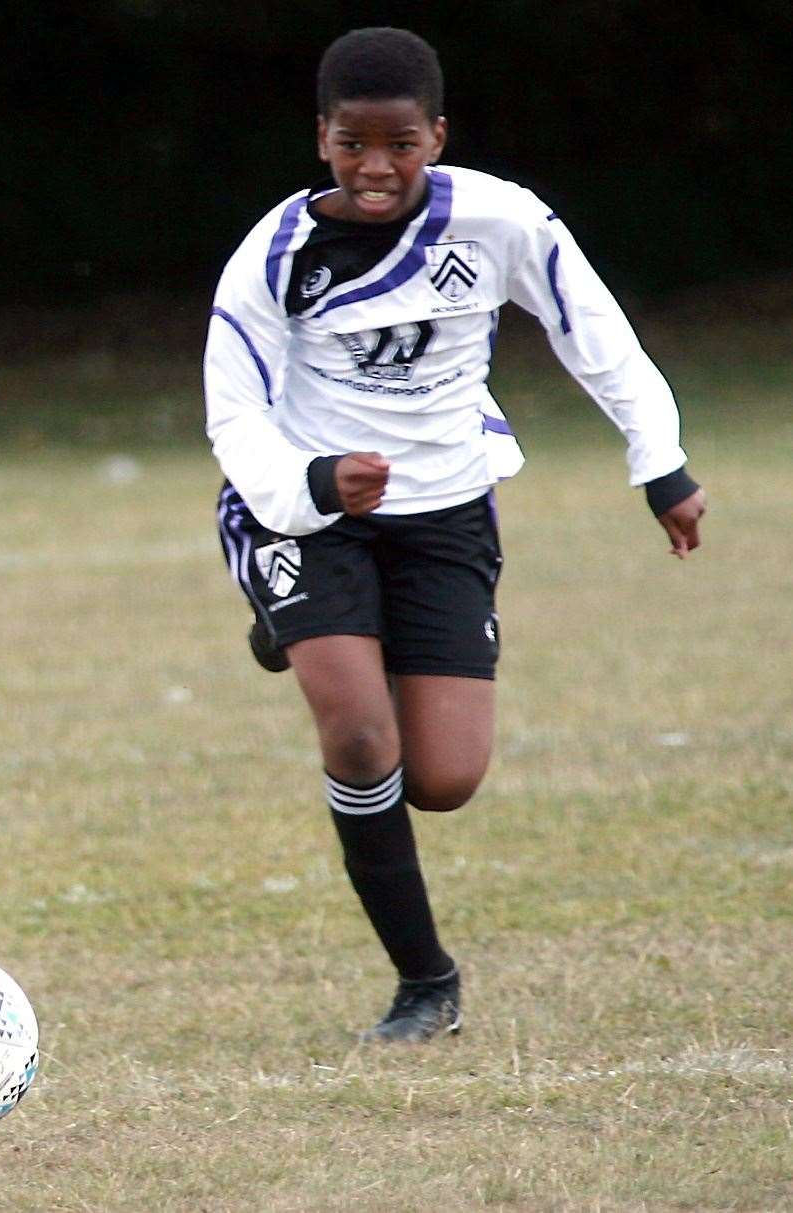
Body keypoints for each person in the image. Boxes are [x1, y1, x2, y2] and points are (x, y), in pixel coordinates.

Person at [204, 27, 705, 1043]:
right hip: (311, 511)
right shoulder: (271, 257)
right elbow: (232, 414)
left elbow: (592, 330)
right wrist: (310, 483)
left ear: (436, 135)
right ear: (321, 140)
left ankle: (300, 623)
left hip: (445, 513)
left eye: (398, 143)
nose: (375, 167)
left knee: (442, 778)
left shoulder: (499, 221)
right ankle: (425, 981)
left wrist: (660, 461)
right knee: (356, 734)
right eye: (352, 144)